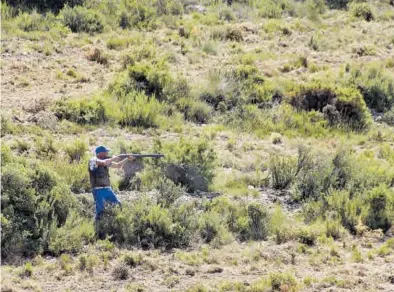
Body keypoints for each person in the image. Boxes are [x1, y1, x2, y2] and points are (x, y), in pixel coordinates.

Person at [88, 145, 134, 221]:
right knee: (100, 211)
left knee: (118, 205)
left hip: (108, 189)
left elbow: (118, 165)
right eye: (105, 152)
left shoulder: (105, 161)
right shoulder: (93, 160)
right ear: (100, 153)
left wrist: (127, 159)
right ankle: (99, 227)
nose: (107, 153)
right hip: (98, 190)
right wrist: (114, 158)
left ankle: (115, 223)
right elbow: (103, 162)